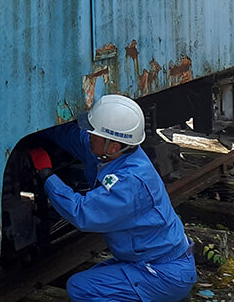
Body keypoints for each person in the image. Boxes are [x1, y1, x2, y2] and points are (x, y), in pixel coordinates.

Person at [27, 94, 196, 302]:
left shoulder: (130, 182)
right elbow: (74, 138)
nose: (89, 135)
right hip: (156, 263)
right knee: (93, 280)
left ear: (113, 145)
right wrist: (38, 125)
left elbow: (82, 213)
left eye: (93, 133)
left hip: (164, 274)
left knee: (82, 288)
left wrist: (47, 175)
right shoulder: (115, 152)